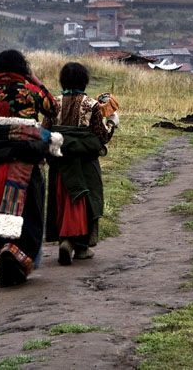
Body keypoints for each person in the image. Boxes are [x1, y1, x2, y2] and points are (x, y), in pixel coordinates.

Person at [0, 50, 57, 287]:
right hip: (27, 163)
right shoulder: (29, 91)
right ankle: (18, 255)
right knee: (30, 212)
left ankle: (4, 253)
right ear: (23, 69)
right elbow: (53, 108)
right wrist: (36, 81)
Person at [42, 62, 118, 265]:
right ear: (85, 81)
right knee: (85, 200)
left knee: (62, 200)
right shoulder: (91, 105)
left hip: (60, 164)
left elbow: (44, 132)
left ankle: (64, 239)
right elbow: (101, 137)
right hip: (85, 164)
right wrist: (111, 121)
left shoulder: (53, 103)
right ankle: (81, 248)